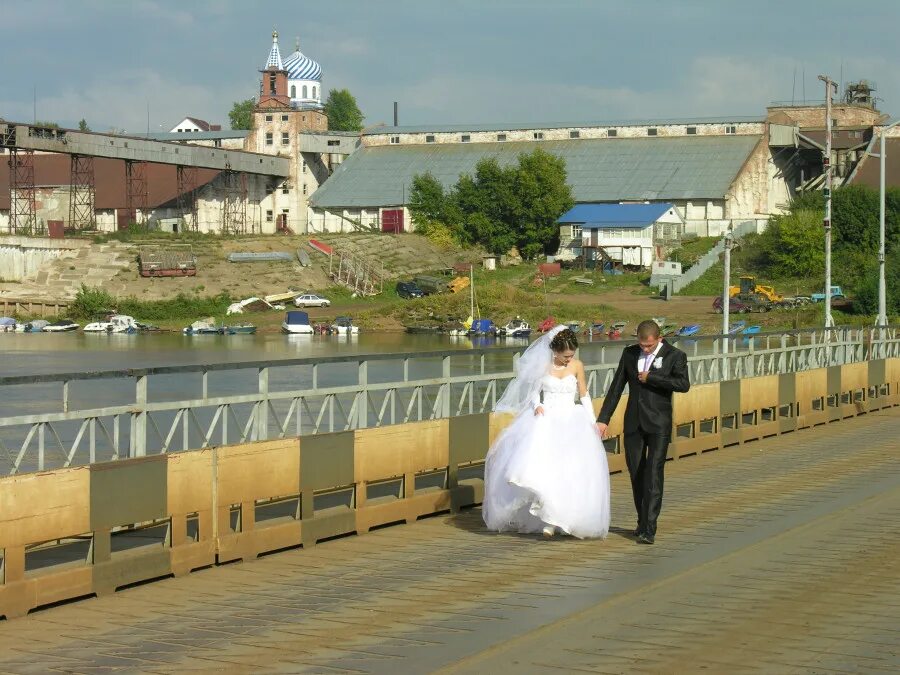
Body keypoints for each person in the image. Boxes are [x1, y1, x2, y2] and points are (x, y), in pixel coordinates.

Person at [482, 326, 610, 539]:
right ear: (555, 351)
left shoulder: (577, 366)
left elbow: (584, 394)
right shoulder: (542, 367)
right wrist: (536, 406)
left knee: (569, 470)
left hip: (571, 419)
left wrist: (592, 421)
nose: (569, 359)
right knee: (546, 468)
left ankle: (561, 518)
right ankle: (547, 519)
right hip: (546, 419)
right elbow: (531, 391)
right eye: (565, 356)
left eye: (571, 355)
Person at [596, 319, 690, 544]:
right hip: (634, 423)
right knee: (636, 473)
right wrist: (603, 419)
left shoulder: (675, 356)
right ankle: (641, 520)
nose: (645, 349)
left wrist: (653, 378)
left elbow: (683, 384)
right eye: (641, 345)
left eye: (649, 346)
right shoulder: (629, 354)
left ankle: (650, 528)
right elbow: (616, 386)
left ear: (659, 339)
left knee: (653, 473)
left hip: (659, 424)